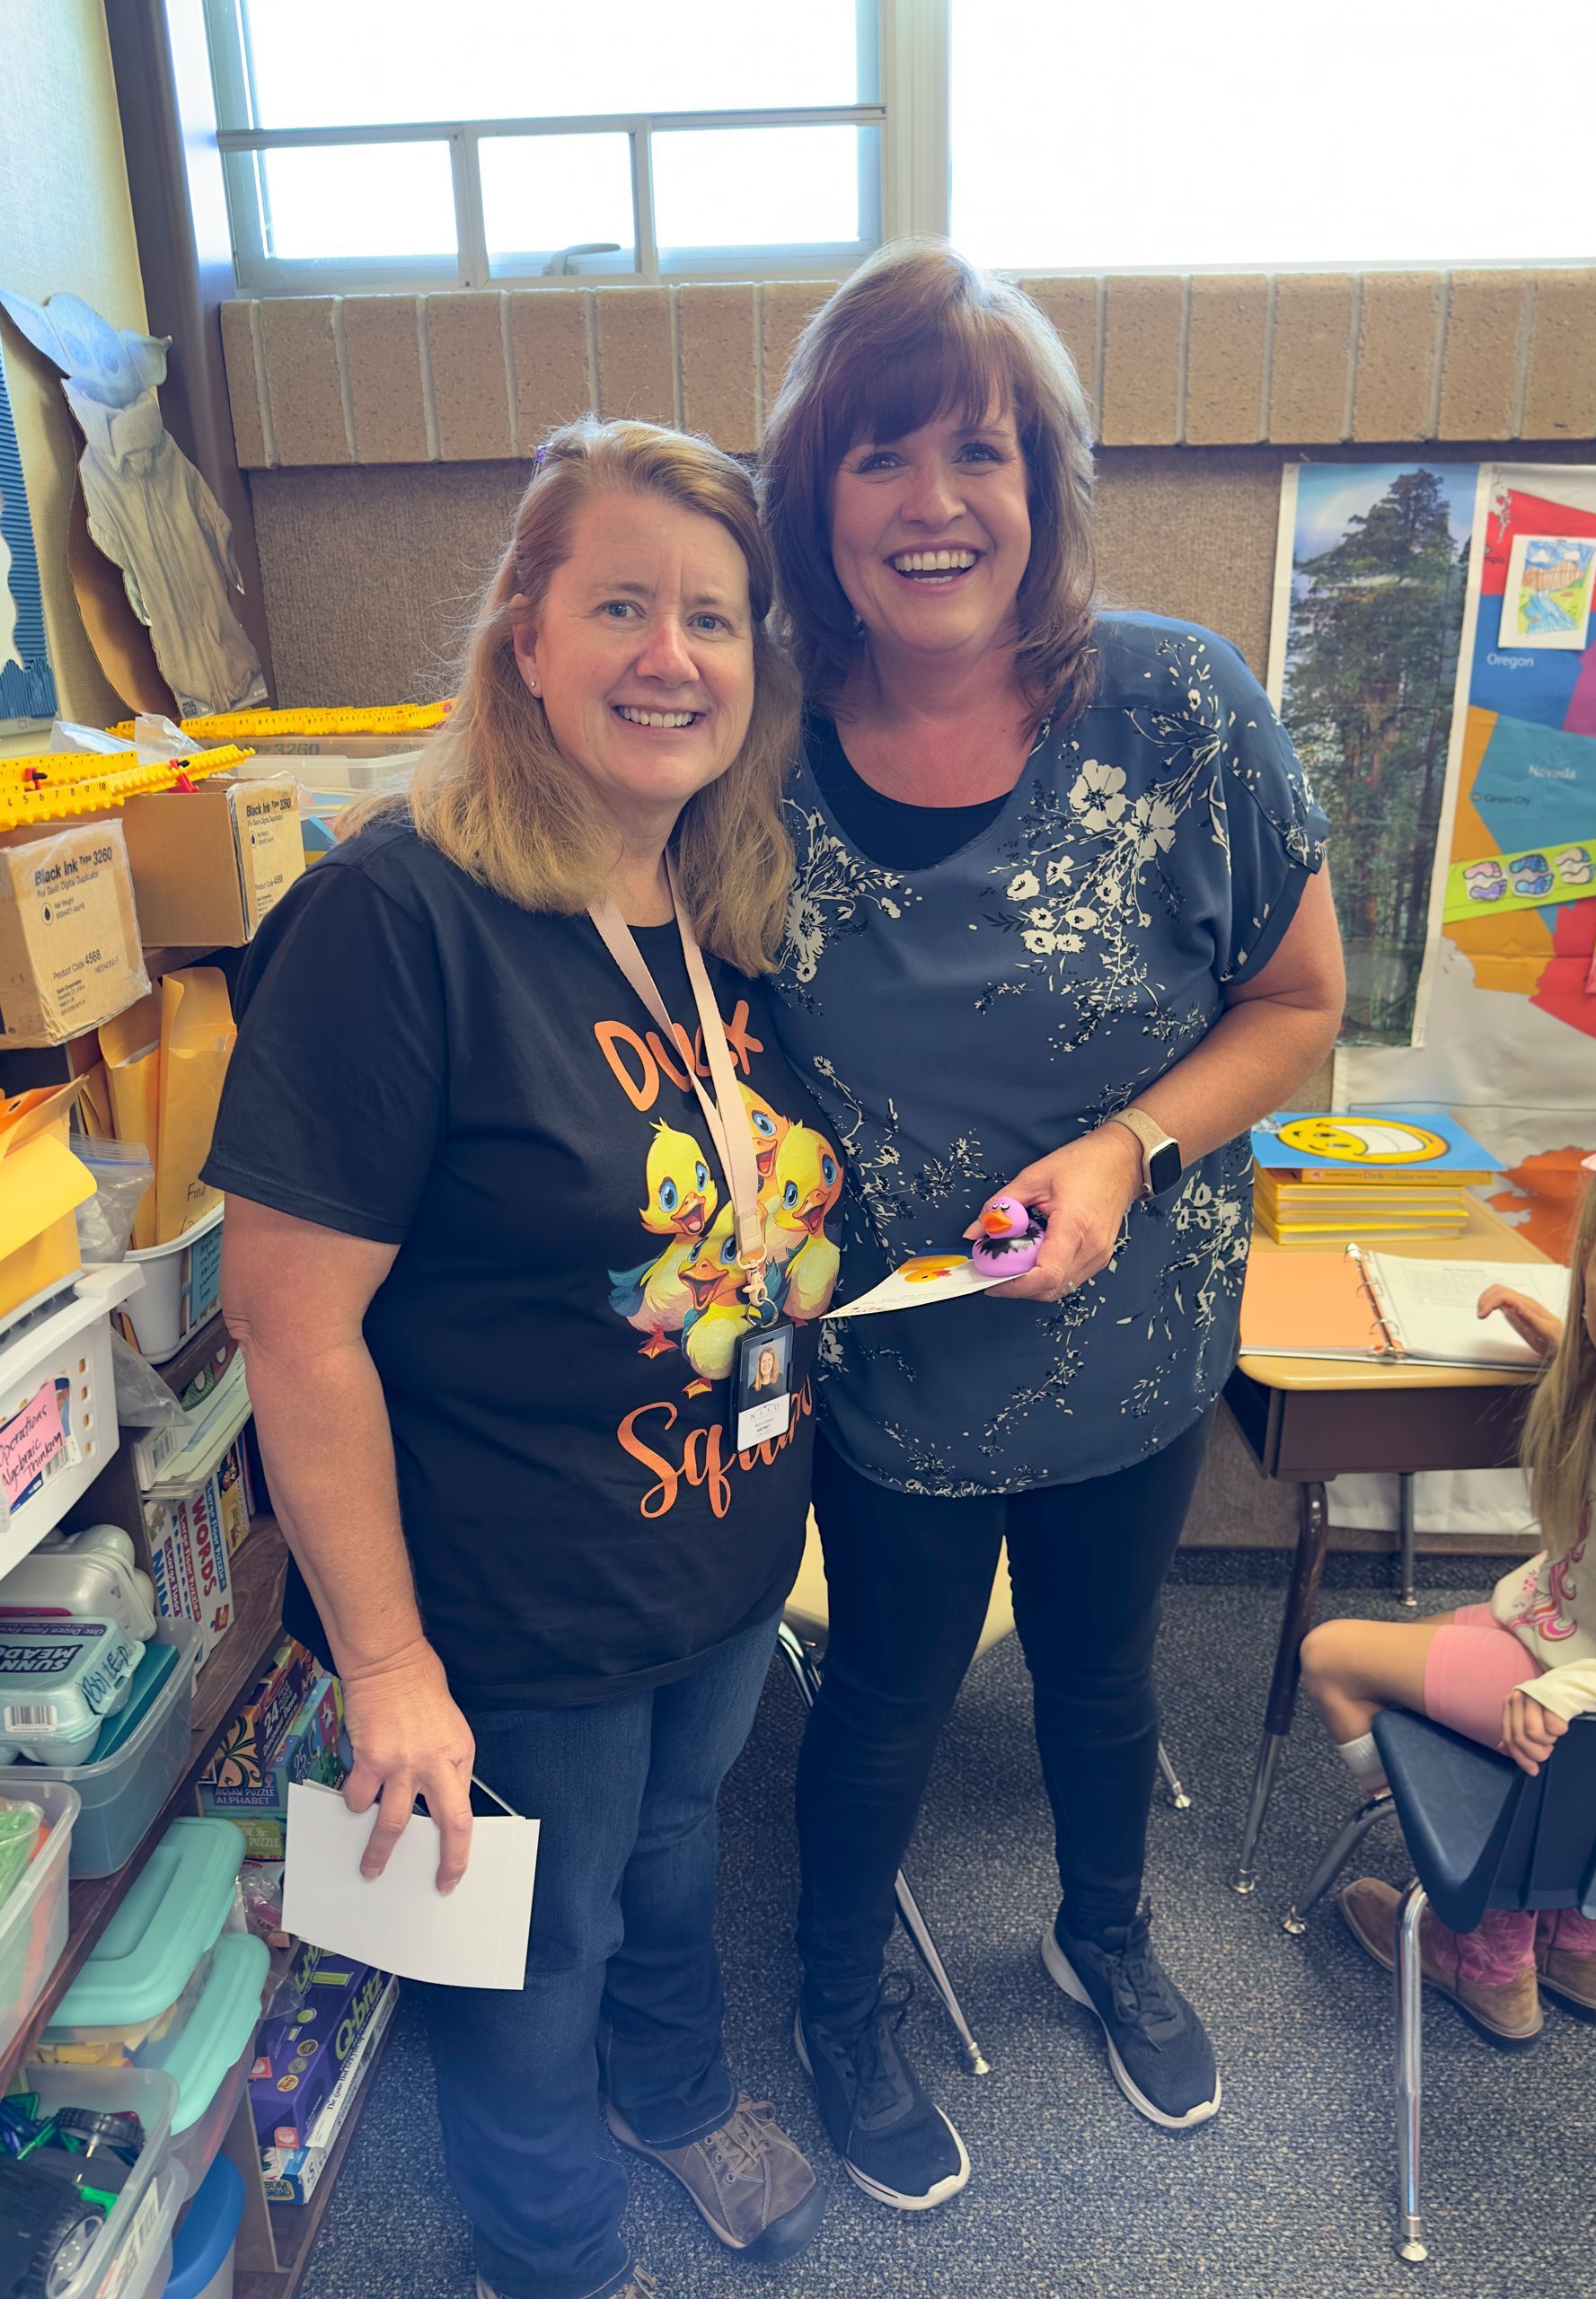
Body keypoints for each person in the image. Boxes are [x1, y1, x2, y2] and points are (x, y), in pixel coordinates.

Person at [207, 418, 843, 2299]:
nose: (672, 654)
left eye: (713, 618)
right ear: (525, 633)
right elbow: (289, 1321)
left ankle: (671, 2090)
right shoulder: (392, 920)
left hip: (714, 1554)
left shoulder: (721, 911)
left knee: (665, 1861)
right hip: (510, 1597)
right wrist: (390, 1660)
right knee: (526, 1947)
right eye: (623, 604)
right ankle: (548, 2256)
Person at [756, 242, 1346, 2207]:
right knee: (891, 1697)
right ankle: (843, 1996)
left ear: (1048, 485)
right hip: (892, 1363)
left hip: (1139, 1337)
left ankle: (1109, 1934)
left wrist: (1125, 1153)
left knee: (1106, 1676)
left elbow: (1296, 1002)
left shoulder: (1179, 707)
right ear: (813, 498)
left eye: (981, 452)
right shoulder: (751, 744)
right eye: (880, 457)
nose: (935, 502)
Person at [1301, 1126, 1596, 2047]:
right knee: (1567, 1755)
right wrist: (1565, 1345)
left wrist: (1575, 1689)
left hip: (1589, 1695)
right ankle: (1585, 1944)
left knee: (1330, 1656)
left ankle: (1482, 1940)